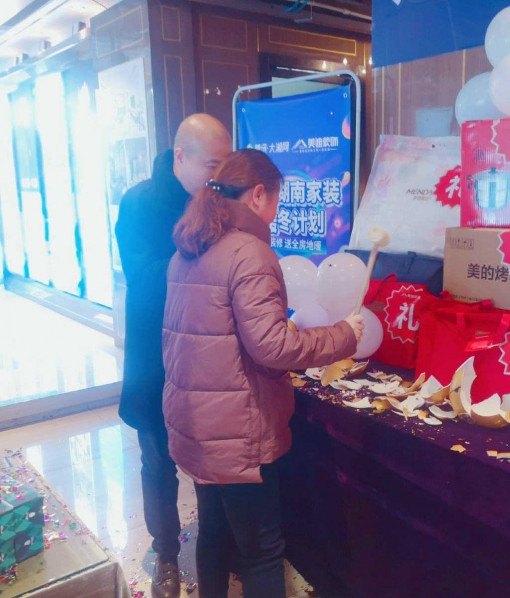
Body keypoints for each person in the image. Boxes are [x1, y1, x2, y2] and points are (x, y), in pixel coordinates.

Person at [162, 149, 365, 598]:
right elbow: (272, 348)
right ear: (258, 195)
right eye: (276, 200)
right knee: (262, 551)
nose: (276, 212)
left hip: (195, 420)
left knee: (213, 531)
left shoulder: (190, 246)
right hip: (236, 429)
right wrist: (344, 335)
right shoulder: (250, 253)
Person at [115, 114, 231, 598]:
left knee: (209, 462)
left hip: (204, 354)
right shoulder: (140, 203)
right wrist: (201, 253)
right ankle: (165, 552)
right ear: (180, 157)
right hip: (155, 357)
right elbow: (144, 278)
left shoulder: (218, 198)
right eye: (212, 165)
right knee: (158, 461)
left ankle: (217, 549)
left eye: (225, 165)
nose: (219, 176)